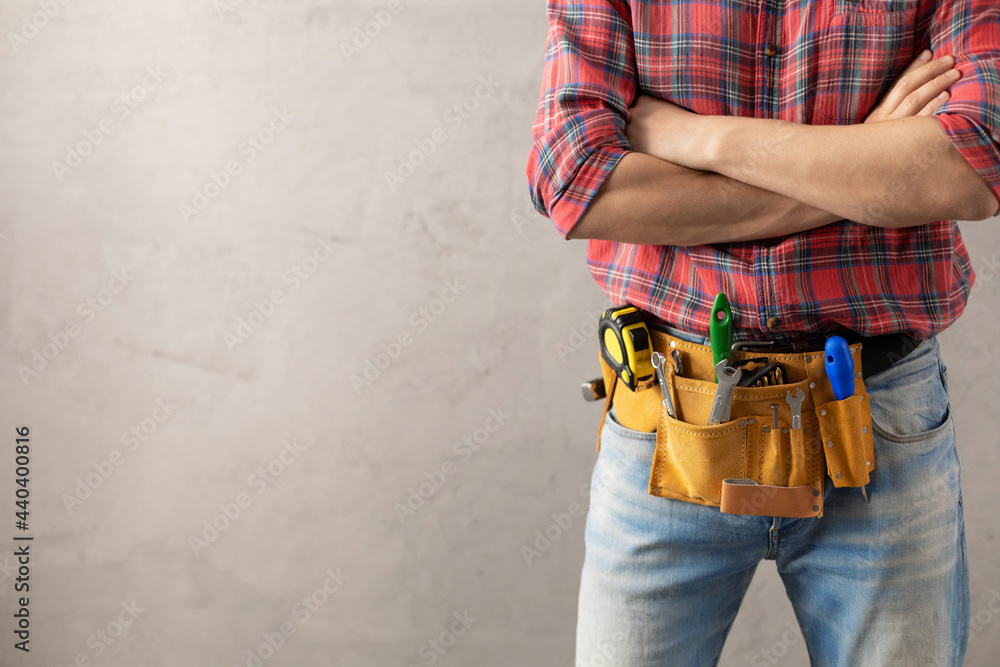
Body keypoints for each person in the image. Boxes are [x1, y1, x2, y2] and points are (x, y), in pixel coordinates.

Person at [525, 1, 1000, 665]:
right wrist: (867, 163)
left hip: (880, 426)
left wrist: (703, 139)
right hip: (667, 416)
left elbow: (971, 165)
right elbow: (578, 184)